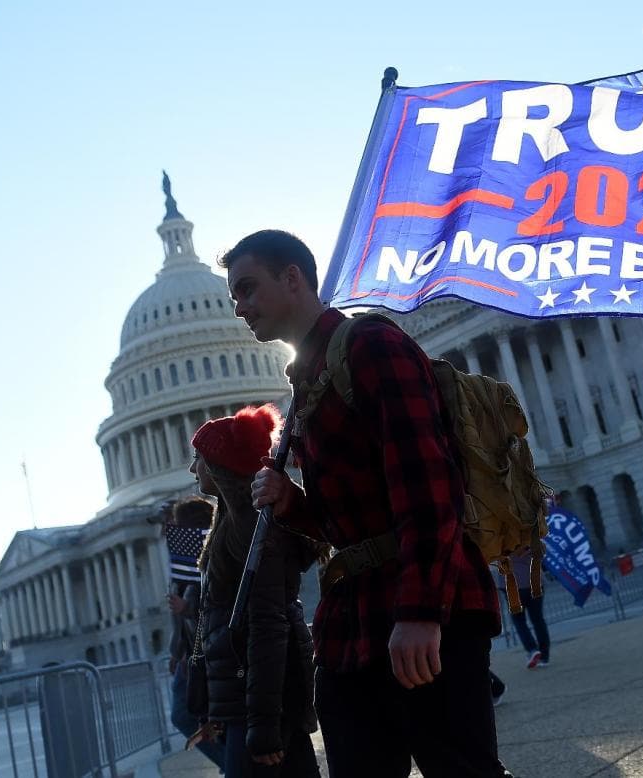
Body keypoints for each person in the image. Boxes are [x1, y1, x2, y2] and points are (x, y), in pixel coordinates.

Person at [225, 230, 509, 778]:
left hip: (421, 603)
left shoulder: (371, 346)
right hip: (351, 619)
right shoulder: (306, 381)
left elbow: (428, 481)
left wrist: (421, 612)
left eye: (248, 289)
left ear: (293, 278)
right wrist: (293, 504)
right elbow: (347, 522)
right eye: (236, 297)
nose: (240, 307)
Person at [190, 404, 322, 777]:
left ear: (220, 465)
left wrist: (262, 724)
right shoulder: (234, 527)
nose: (191, 469)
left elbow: (266, 626)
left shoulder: (250, 532)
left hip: (262, 703)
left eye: (197, 459)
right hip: (252, 700)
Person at [165, 497, 225, 771]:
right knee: (192, 717)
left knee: (189, 716)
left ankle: (231, 765)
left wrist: (186, 608)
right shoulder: (183, 566)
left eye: (177, 525)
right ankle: (231, 764)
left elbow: (213, 605)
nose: (172, 530)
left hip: (203, 655)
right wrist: (176, 653)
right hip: (189, 655)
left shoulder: (204, 561)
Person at [505, 547, 551, 669]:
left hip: (513, 583)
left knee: (519, 620)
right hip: (535, 579)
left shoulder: (500, 535)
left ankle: (531, 648)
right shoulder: (531, 530)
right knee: (538, 620)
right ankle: (544, 656)